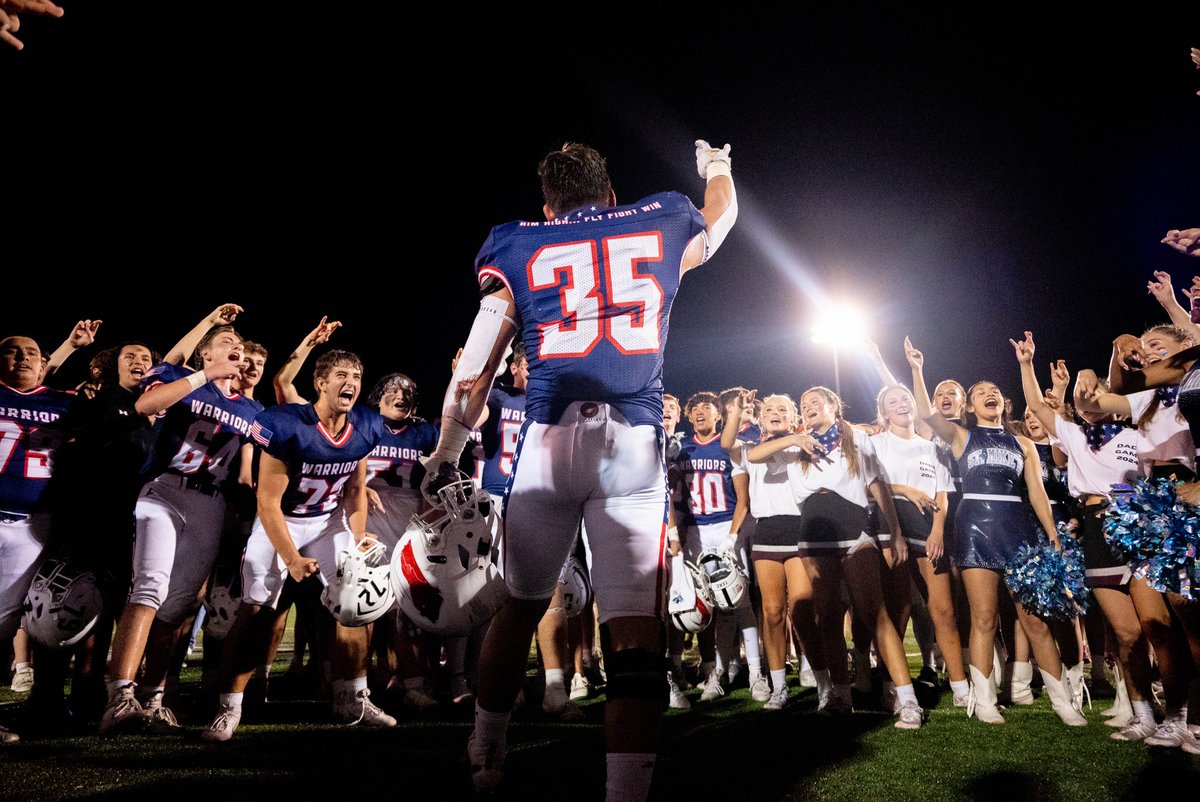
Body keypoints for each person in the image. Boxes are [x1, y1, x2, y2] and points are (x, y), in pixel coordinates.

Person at [419, 139, 737, 799]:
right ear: (612, 195)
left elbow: (476, 363)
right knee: (634, 636)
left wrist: (447, 449)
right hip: (631, 446)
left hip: (547, 444)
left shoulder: (516, 242)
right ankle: (624, 791)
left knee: (519, 605)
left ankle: (487, 747)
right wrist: (717, 166)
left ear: (547, 206)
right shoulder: (663, 216)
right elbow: (722, 218)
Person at [203, 349, 391, 741]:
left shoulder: (365, 426)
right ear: (320, 383)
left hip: (327, 523)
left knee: (355, 600)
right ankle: (229, 706)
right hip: (282, 521)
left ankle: (352, 697)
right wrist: (291, 557)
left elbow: (355, 489)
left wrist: (357, 534)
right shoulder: (286, 424)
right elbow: (268, 502)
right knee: (255, 610)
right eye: (342, 374)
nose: (351, 383)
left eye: (357, 375)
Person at [907, 336, 1087, 727]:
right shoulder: (961, 436)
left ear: (1005, 404)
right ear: (970, 406)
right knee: (984, 617)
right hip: (974, 526)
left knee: (1035, 619)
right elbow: (925, 413)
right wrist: (918, 370)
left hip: (1018, 529)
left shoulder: (1022, 441)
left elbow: (1037, 494)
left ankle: (1063, 701)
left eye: (995, 392)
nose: (990, 395)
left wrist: (1052, 534)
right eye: (981, 393)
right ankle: (984, 699)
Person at [99, 322, 260, 735]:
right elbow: (143, 406)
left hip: (211, 502)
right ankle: (119, 697)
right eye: (226, 343)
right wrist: (207, 374)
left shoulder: (251, 410)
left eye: (239, 345)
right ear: (205, 353)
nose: (235, 348)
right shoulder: (184, 378)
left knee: (182, 604)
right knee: (149, 587)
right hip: (165, 489)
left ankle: (153, 697)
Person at [747, 386, 923, 728]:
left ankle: (908, 700)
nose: (809, 405)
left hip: (854, 526)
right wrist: (794, 440)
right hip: (813, 532)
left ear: (833, 406)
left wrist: (895, 533)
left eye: (816, 401)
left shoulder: (854, 437)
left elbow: (878, 486)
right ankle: (841, 696)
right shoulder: (796, 443)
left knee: (876, 614)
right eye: (804, 403)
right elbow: (755, 456)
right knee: (826, 616)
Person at [723, 389, 827, 710]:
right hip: (767, 531)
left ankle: (823, 684)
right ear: (761, 416)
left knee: (802, 610)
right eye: (769, 408)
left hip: (798, 529)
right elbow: (728, 444)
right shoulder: (751, 448)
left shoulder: (805, 444)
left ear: (793, 417)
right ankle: (779, 685)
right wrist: (738, 410)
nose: (774, 412)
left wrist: (798, 439)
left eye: (782, 408)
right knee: (771, 612)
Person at [0, 334, 75, 744]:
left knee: (5, 620)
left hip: (32, 524)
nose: (23, 358)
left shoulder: (63, 401)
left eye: (31, 353)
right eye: (13, 351)